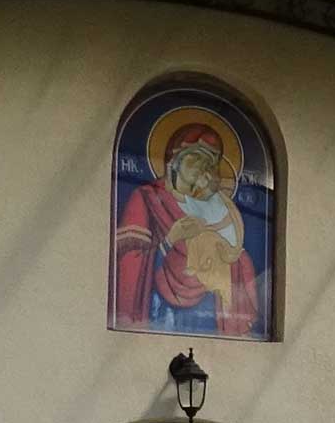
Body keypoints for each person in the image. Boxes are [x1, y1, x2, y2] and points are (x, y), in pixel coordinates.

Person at [112, 121, 262, 332]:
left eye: (209, 163)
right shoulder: (147, 198)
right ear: (175, 159)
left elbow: (235, 256)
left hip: (213, 316)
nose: (202, 167)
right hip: (160, 312)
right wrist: (171, 239)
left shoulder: (216, 206)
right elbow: (130, 259)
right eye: (196, 157)